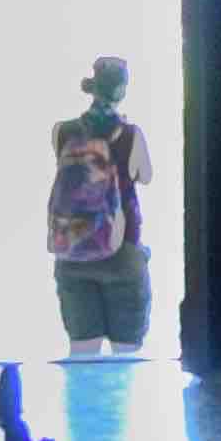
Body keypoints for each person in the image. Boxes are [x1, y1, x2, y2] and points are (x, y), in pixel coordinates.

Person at [45, 59, 153, 354]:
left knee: (82, 355)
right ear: (121, 89)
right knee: (126, 361)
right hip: (122, 252)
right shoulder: (131, 135)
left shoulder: (63, 132)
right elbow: (145, 176)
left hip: (73, 252)